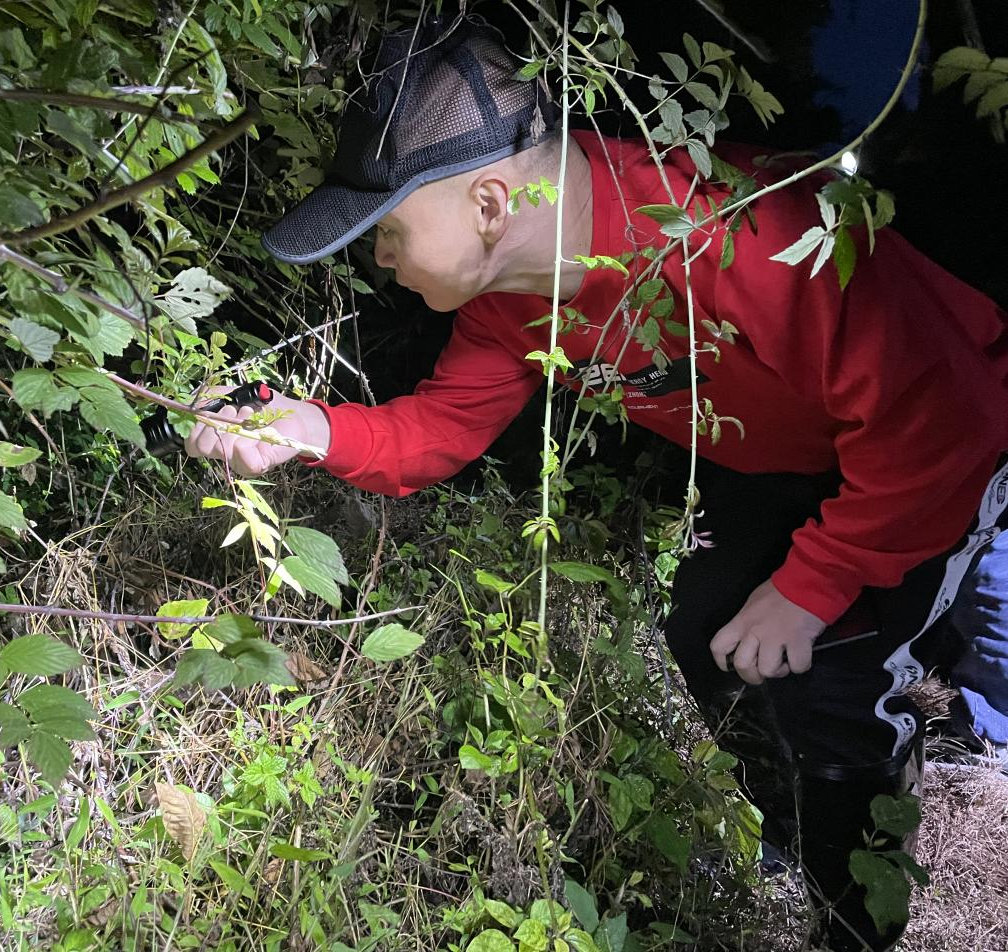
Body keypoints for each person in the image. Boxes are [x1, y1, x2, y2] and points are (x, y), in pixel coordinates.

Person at [184, 18, 1008, 951]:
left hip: (945, 436)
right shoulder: (509, 302)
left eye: (389, 232)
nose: (378, 258)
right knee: (704, 628)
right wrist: (309, 428)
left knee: (841, 676)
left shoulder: (736, 233)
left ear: (489, 203)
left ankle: (858, 908)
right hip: (782, 457)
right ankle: (787, 833)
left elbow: (938, 421)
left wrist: (810, 586)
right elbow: (439, 433)